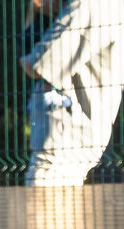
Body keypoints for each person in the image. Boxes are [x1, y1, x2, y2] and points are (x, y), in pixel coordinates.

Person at [19, 0, 124, 186]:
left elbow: (37, 64)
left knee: (42, 210)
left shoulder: (90, 5)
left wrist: (25, 60)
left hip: (64, 143)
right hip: (78, 137)